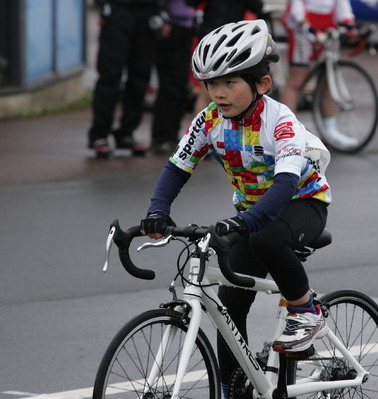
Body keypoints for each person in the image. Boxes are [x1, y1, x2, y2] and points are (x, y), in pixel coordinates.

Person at [139, 20, 331, 399]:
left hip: (301, 203)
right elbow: (178, 167)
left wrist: (242, 221)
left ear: (261, 84)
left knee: (265, 238)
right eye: (211, 84)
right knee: (229, 305)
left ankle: (306, 310)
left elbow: (285, 185)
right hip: (250, 212)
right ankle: (233, 388)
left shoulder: (281, 122)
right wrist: (157, 210)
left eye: (230, 83)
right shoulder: (209, 120)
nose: (219, 93)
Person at [87, 0, 194, 159]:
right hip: (118, 10)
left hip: (147, 12)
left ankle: (126, 133)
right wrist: (103, 6)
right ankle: (99, 134)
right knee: (110, 75)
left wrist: (161, 11)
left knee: (140, 76)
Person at [280, 0, 360, 149]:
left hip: (327, 23)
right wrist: (306, 25)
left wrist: (349, 23)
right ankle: (285, 135)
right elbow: (296, 5)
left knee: (328, 78)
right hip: (303, 23)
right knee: (296, 80)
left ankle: (330, 131)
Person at [186, 0, 265, 114]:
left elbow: (191, 3)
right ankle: (201, 129)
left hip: (213, 36)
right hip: (231, 38)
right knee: (223, 89)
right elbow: (257, 7)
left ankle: (203, 129)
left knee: (208, 92)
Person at [150, 0, 196, 155]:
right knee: (169, 85)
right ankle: (161, 137)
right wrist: (163, 19)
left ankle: (172, 135)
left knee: (181, 85)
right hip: (171, 27)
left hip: (187, 27)